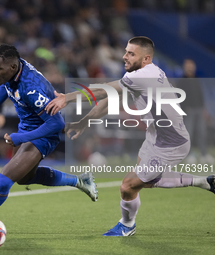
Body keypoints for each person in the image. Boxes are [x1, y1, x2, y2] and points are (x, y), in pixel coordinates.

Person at [45, 36, 215, 236]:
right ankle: (206, 182)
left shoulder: (142, 76)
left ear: (146, 59)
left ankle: (127, 226)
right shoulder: (146, 73)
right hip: (156, 137)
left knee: (128, 186)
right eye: (126, 51)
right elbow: (110, 100)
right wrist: (84, 121)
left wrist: (68, 97)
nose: (124, 56)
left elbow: (102, 90)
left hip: (171, 142)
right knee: (146, 181)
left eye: (131, 54)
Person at [0, 44, 98, 235]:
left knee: (4, 181)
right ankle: (80, 182)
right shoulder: (12, 70)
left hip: (44, 133)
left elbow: (57, 123)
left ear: (12, 67)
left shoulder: (31, 88)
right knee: (24, 179)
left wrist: (21, 137)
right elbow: (5, 88)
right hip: (27, 128)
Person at [176, 59, 214, 164]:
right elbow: (179, 97)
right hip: (188, 111)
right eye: (188, 65)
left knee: (202, 133)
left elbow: (200, 95)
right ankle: (189, 155)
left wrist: (204, 108)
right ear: (184, 67)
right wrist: (184, 108)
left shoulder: (197, 79)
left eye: (192, 65)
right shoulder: (181, 81)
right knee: (189, 133)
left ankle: (204, 154)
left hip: (199, 109)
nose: (190, 67)